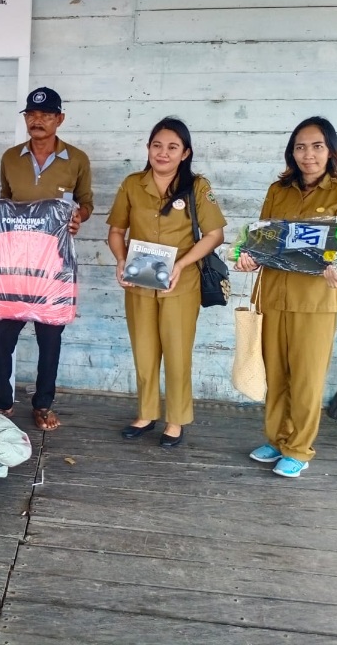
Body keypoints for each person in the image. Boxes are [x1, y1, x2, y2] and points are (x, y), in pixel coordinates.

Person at [236, 116, 337, 477]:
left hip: (315, 301)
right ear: (292, 152)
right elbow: (261, 239)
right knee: (276, 374)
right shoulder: (278, 191)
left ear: (331, 151)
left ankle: (300, 448)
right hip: (272, 295)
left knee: (306, 377)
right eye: (301, 147)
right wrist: (247, 258)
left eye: (317, 146)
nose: (308, 155)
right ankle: (277, 439)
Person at [0, 87, 93, 432]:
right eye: (31, 115)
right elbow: (5, 202)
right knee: (0, 335)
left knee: (50, 338)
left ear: (60, 119)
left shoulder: (77, 159)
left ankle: (43, 404)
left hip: (54, 266)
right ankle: (2, 401)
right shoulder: (10, 158)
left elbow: (86, 202)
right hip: (12, 267)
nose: (37, 121)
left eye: (45, 116)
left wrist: (79, 216)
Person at [107, 118, 226, 447]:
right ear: (148, 148)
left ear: (185, 153)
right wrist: (120, 260)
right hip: (140, 281)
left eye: (173, 147)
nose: (163, 152)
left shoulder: (197, 187)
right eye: (157, 145)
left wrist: (183, 263)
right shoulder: (132, 184)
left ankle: (176, 420)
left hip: (181, 283)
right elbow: (117, 231)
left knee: (176, 353)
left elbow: (215, 235)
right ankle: (146, 413)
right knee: (144, 351)